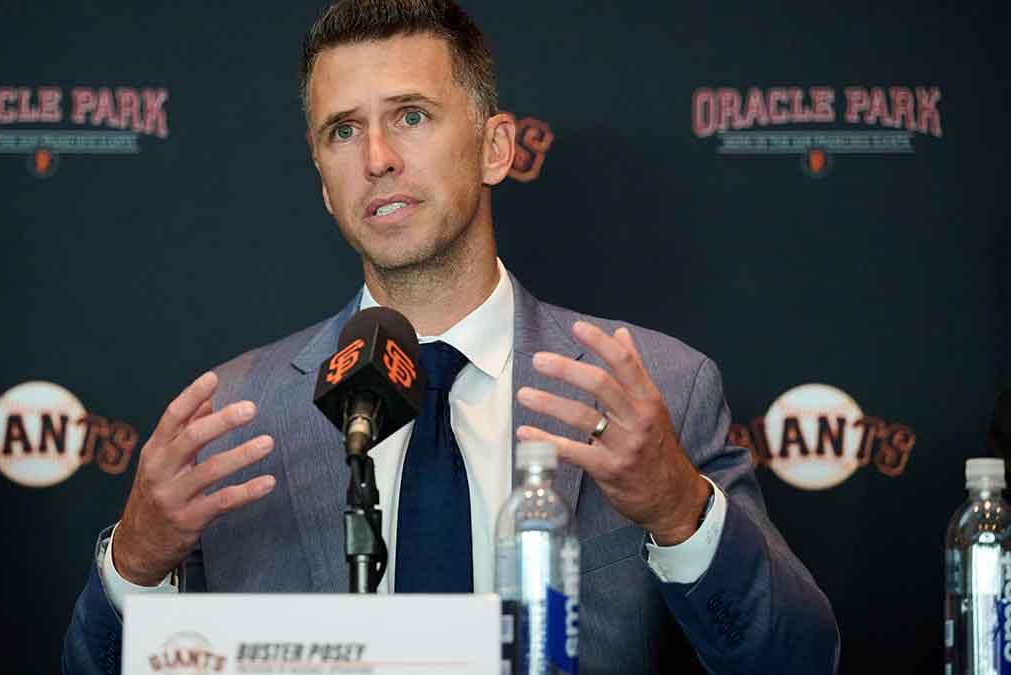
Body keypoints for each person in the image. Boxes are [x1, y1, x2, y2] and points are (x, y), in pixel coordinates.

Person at [62, 1, 840, 672]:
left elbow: (799, 661)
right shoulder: (232, 418)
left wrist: (678, 508)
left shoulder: (656, 386)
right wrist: (135, 563)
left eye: (410, 116)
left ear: (496, 147)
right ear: (323, 181)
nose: (377, 159)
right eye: (342, 131)